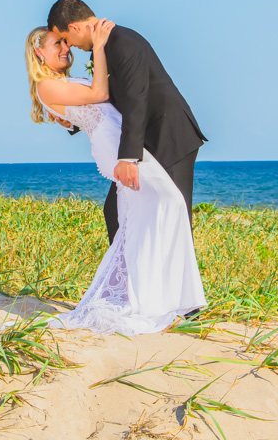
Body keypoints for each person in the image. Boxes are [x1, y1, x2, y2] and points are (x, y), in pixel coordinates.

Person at [24, 20, 206, 335]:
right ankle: (156, 297)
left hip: (120, 141)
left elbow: (94, 105)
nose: (66, 48)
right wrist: (97, 46)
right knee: (166, 205)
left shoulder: (59, 83)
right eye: (58, 44)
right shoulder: (45, 85)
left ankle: (151, 294)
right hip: (116, 148)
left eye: (66, 43)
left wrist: (69, 119)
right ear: (39, 52)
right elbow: (99, 93)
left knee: (147, 212)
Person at [46, 0, 207, 245]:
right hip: (147, 138)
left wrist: (127, 158)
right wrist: (71, 121)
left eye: (66, 38)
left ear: (75, 27)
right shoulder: (104, 48)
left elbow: (135, 99)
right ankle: (127, 280)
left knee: (173, 218)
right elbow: (111, 102)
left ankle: (173, 282)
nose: (68, 46)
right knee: (116, 212)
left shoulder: (122, 42)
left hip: (168, 137)